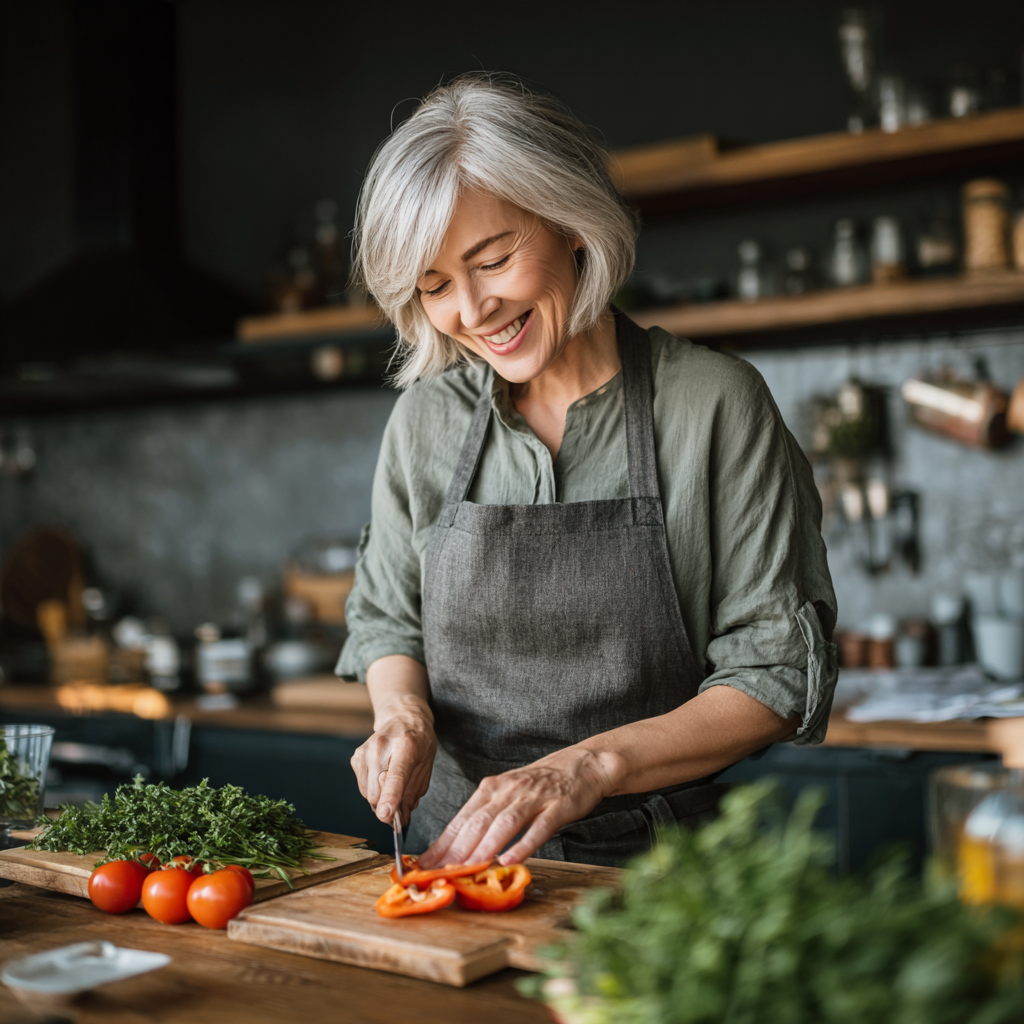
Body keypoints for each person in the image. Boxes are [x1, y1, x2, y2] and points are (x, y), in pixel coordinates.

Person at [337, 74, 837, 869]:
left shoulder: (713, 404)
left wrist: (586, 769)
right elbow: (388, 620)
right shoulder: (425, 421)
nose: (472, 310)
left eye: (493, 260)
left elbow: (772, 675)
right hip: (455, 864)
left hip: (663, 884)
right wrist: (404, 716)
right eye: (435, 287)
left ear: (570, 221)